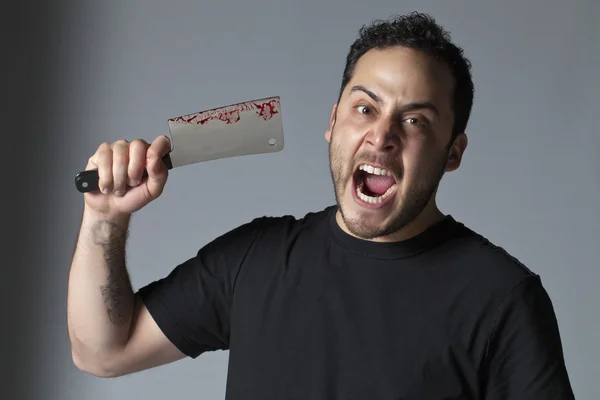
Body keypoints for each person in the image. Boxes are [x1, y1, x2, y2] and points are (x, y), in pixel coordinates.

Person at [67, 11, 576, 399]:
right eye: (364, 107)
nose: (382, 136)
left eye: (415, 120)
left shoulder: (503, 298)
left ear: (454, 153)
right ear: (334, 123)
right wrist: (105, 218)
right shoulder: (254, 260)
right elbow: (102, 352)